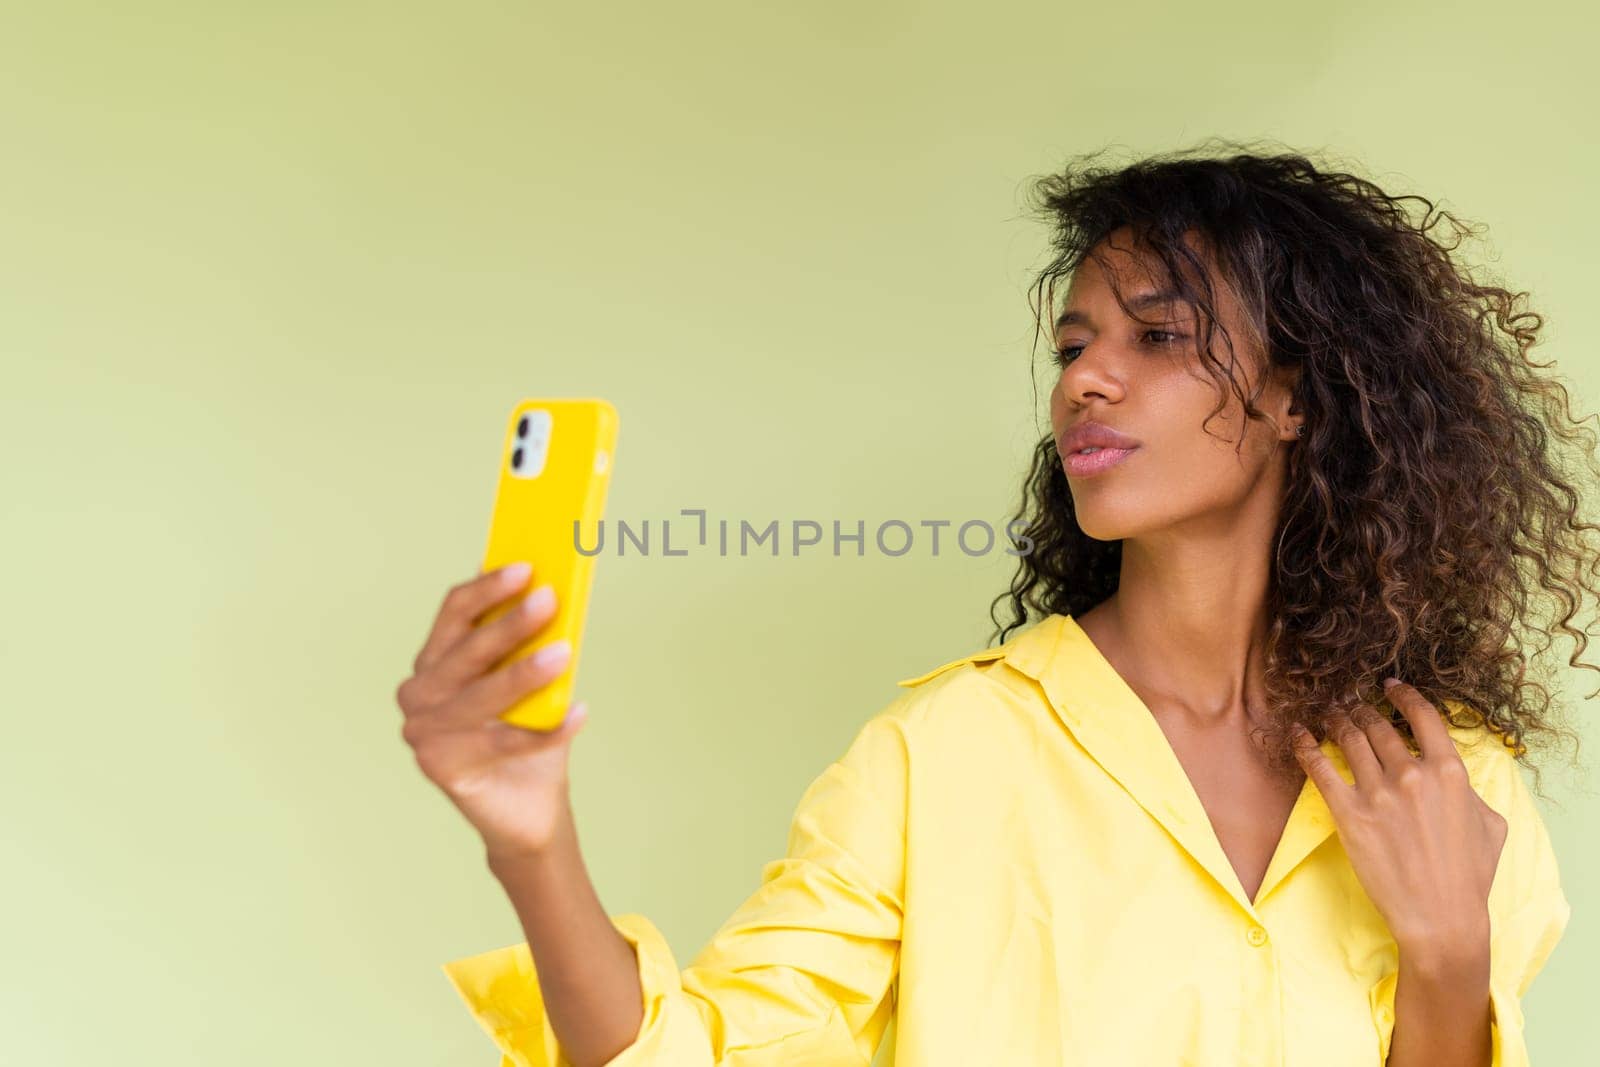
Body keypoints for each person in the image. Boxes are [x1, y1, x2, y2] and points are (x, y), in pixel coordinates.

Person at [395, 142, 1596, 1066]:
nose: (1086, 375)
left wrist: (1447, 959)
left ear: (1294, 398)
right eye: (1073, 344)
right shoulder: (938, 758)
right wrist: (531, 841)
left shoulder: (1449, 783)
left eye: (1157, 335)